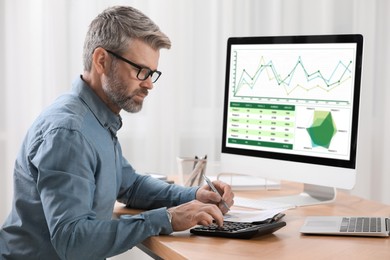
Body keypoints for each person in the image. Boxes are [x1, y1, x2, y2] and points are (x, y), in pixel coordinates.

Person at [0, 6, 234, 259]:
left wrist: (194, 195)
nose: (148, 84)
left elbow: (130, 186)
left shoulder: (96, 118)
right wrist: (167, 218)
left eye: (152, 73)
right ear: (101, 60)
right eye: (140, 71)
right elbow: (72, 241)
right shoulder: (70, 132)